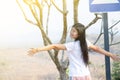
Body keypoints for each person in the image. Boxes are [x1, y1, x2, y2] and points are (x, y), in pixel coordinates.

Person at [28, 23, 120, 80]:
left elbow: (54, 46)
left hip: (76, 76)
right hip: (86, 75)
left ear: (79, 33)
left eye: (74, 31)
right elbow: (97, 49)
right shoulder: (85, 43)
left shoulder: (72, 45)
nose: (71, 32)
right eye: (71, 30)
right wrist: (111, 54)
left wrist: (37, 49)